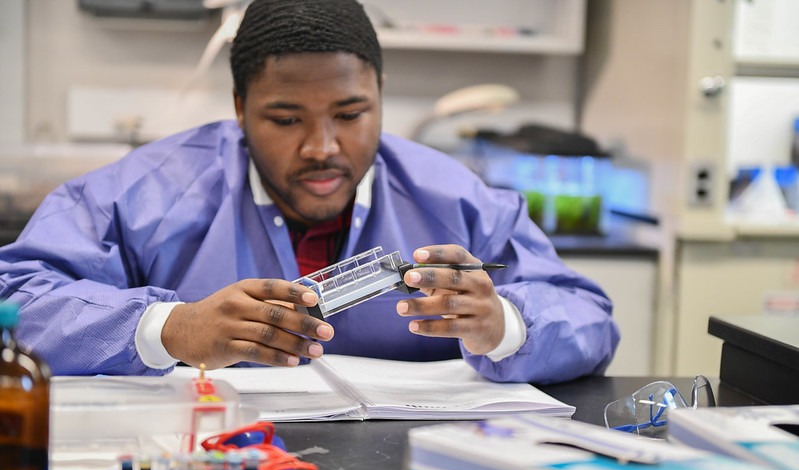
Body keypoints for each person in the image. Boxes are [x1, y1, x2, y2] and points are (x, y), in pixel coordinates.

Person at [0, 0, 619, 384]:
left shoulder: (454, 197)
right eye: (287, 119)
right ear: (240, 109)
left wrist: (504, 324)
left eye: (350, 115)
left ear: (379, 98)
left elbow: (588, 316)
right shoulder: (146, 192)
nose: (322, 146)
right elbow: (16, 301)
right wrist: (171, 328)